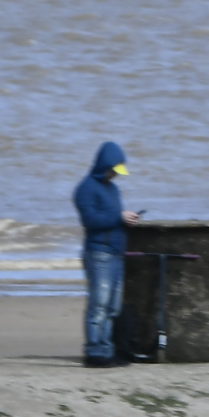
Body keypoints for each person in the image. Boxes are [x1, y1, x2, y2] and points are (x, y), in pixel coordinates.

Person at [73, 141, 140, 368]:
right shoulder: (85, 189)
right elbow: (90, 221)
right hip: (98, 254)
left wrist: (128, 220)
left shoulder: (113, 189)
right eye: (114, 169)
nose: (116, 175)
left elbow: (112, 218)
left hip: (116, 254)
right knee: (98, 305)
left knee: (113, 307)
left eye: (118, 171)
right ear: (105, 165)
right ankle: (94, 352)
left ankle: (107, 350)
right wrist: (119, 218)